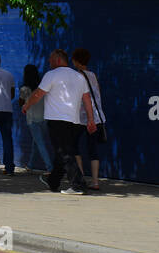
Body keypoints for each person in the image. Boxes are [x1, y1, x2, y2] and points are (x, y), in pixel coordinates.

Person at [21, 48, 96, 195]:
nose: (49, 61)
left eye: (50, 59)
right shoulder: (79, 77)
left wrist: (26, 105)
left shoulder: (51, 75)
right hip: (75, 122)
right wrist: (91, 120)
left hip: (57, 120)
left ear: (58, 59)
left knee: (64, 153)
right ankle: (53, 182)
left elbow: (37, 94)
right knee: (61, 153)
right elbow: (87, 100)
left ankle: (78, 185)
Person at [71, 48, 106, 191]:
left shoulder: (76, 76)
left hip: (81, 118)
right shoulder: (93, 75)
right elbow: (98, 94)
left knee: (74, 147)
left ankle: (81, 179)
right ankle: (95, 181)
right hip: (96, 118)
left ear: (76, 61)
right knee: (93, 150)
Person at [18, 63, 52, 171]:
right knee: (36, 142)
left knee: (40, 144)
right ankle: (31, 165)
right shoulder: (42, 87)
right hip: (44, 118)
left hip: (32, 119)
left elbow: (20, 103)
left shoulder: (24, 89)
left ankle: (50, 167)